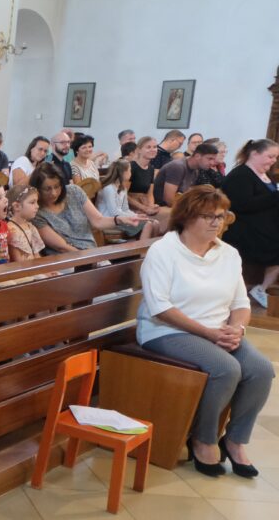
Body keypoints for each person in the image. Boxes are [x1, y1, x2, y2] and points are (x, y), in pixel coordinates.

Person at [137, 187, 273, 478]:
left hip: (217, 331)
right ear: (186, 218)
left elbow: (240, 303)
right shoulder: (164, 251)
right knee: (226, 368)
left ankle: (234, 440)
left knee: (261, 369)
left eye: (220, 216)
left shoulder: (229, 254)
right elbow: (160, 307)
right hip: (165, 330)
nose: (216, 223)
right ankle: (203, 437)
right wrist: (210, 334)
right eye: (207, 216)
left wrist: (236, 330)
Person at [221, 139, 279, 309]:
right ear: (254, 154)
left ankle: (261, 288)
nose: (273, 161)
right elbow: (242, 204)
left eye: (275, 157)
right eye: (270, 156)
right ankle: (257, 289)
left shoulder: (265, 175)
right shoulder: (240, 175)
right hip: (244, 229)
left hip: (264, 227)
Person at [31, 163, 139, 254]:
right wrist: (89, 258)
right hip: (65, 259)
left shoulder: (74, 191)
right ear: (37, 189)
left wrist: (119, 219)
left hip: (89, 251)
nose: (53, 193)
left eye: (57, 187)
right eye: (47, 189)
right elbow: (62, 247)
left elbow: (98, 220)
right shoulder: (36, 211)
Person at [97, 160, 160, 240]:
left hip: (121, 218)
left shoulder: (123, 189)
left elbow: (125, 209)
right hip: (110, 220)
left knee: (156, 223)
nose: (131, 173)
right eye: (129, 170)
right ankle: (142, 251)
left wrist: (136, 216)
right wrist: (134, 217)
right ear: (123, 172)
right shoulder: (109, 188)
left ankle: (150, 250)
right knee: (148, 225)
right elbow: (114, 212)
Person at [154, 143, 220, 207]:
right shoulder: (177, 166)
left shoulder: (195, 170)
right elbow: (169, 200)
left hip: (174, 208)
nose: (212, 163)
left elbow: (185, 195)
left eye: (214, 159)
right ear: (197, 156)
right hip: (161, 208)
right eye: (210, 159)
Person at [128, 136, 169, 227]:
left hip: (144, 204)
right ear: (139, 150)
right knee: (167, 218)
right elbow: (123, 195)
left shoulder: (150, 168)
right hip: (131, 206)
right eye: (148, 147)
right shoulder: (132, 167)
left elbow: (150, 193)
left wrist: (151, 206)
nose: (153, 150)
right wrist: (144, 208)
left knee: (173, 214)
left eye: (154, 147)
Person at [6, 185, 46, 263]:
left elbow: (37, 255)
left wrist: (45, 271)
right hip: (25, 272)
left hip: (35, 269)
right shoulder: (11, 230)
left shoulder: (30, 227)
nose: (37, 206)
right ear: (17, 206)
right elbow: (18, 261)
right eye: (32, 202)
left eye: (37, 202)